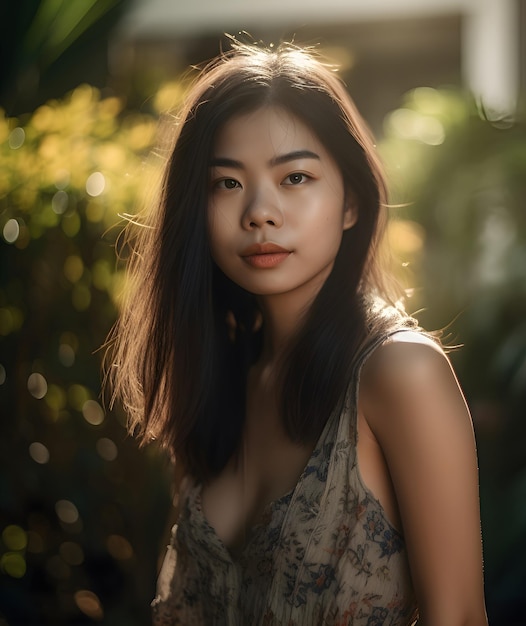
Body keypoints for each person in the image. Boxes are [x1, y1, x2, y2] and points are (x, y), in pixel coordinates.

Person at [107, 39, 489, 626]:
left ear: (351, 204)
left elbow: (458, 616)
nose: (260, 211)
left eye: (295, 177)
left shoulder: (400, 374)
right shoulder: (217, 377)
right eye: (226, 184)